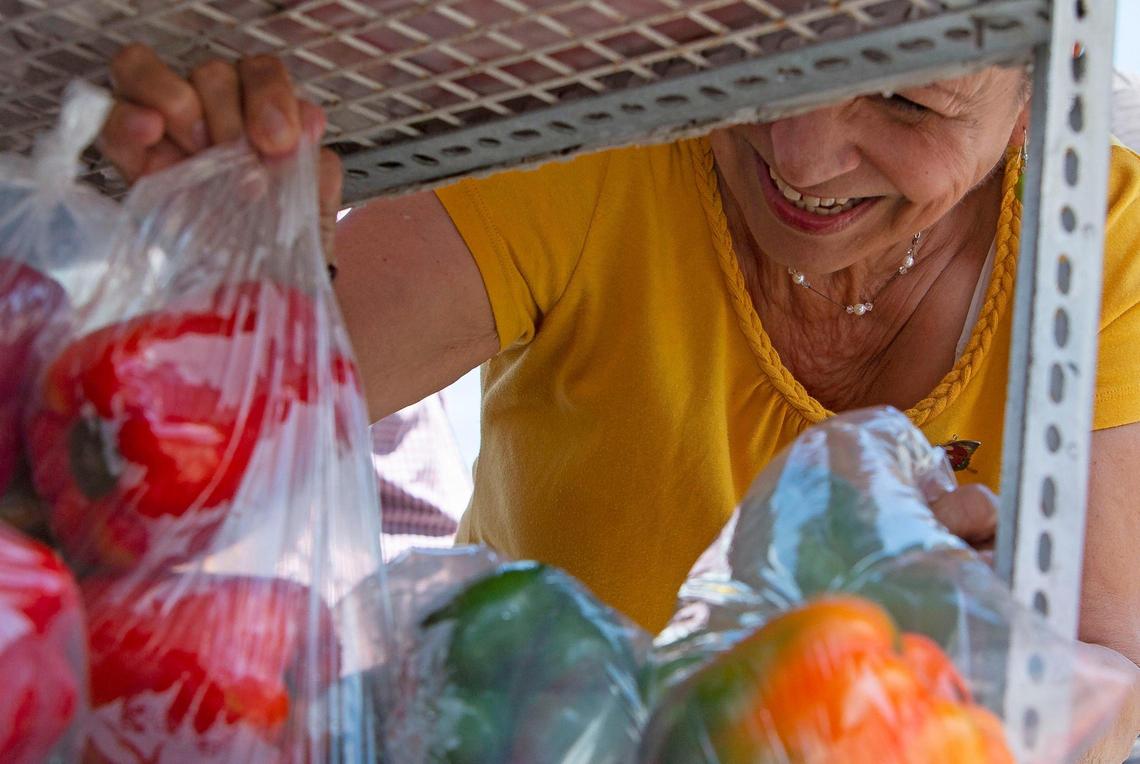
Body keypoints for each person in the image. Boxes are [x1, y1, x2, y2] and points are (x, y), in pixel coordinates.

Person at [101, 47, 1140, 757]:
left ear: (1053, 85)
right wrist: (221, 255)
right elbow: (233, 416)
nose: (798, 149)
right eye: (780, 41)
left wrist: (987, 664)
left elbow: (1107, 694)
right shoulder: (609, 137)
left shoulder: (1106, 244)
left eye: (909, 100)